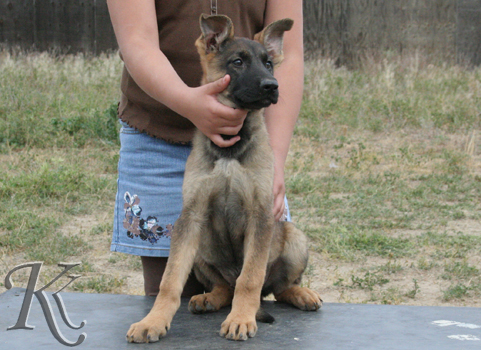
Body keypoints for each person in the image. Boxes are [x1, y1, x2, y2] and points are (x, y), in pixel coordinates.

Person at [107, 0, 304, 297]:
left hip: (250, 142)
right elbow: (136, 40)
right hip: (160, 137)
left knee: (259, 302)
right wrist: (189, 104)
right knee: (173, 312)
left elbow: (288, 58)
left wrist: (274, 156)